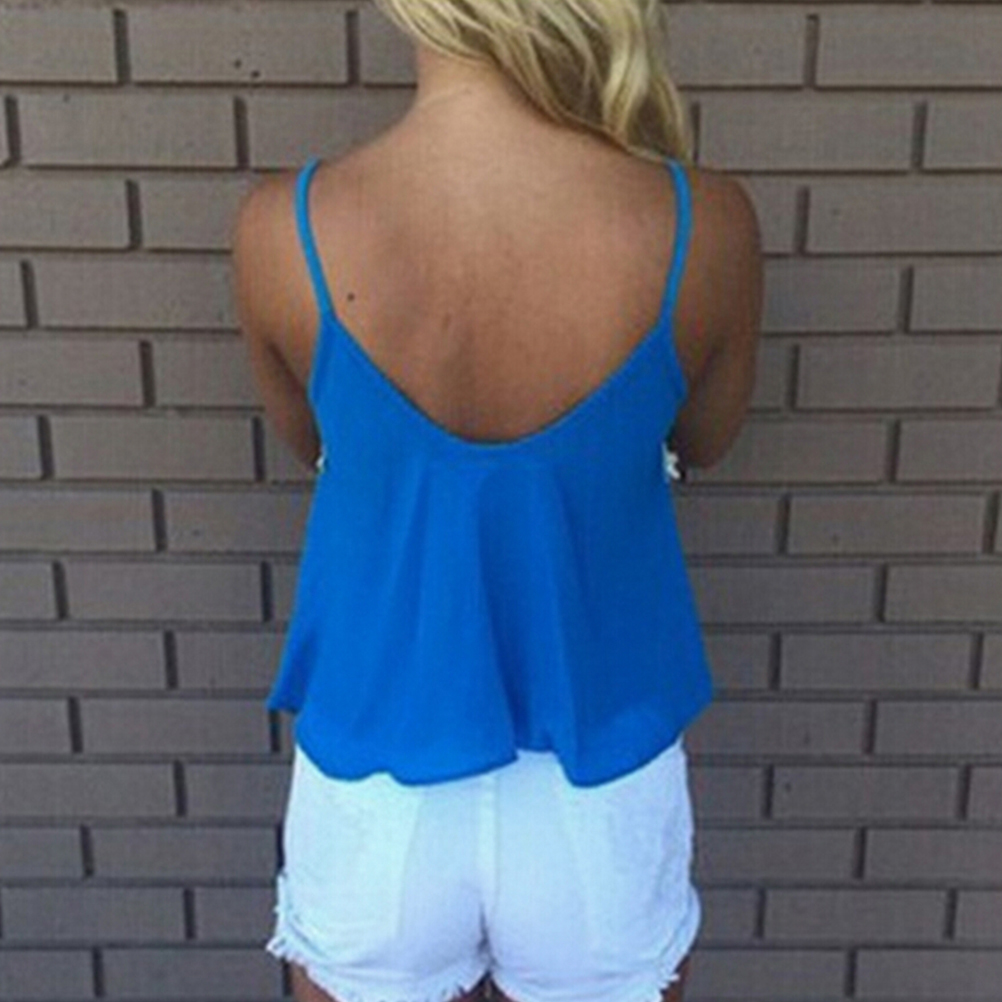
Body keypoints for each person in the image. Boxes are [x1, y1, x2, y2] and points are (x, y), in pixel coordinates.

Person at [231, 2, 763, 1001]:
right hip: (598, 772)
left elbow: (318, 446)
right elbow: (703, 441)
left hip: (380, 778)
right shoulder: (707, 225)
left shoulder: (282, 228)